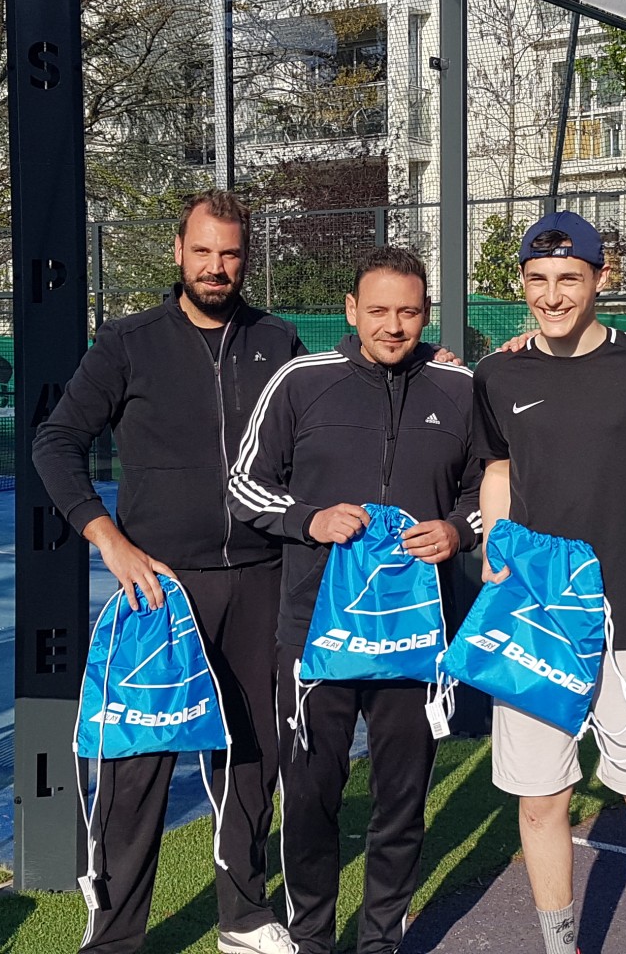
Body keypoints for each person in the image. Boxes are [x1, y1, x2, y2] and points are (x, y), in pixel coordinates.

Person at [33, 190, 304, 954]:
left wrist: (428, 362)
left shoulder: (278, 342)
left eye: (230, 254)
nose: (217, 267)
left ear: (246, 258)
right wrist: (108, 541)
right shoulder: (128, 343)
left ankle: (243, 917)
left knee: (250, 758)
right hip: (160, 587)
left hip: (261, 578)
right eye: (203, 251)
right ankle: (114, 939)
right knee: (137, 766)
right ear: (178, 252)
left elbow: (330, 411)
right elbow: (55, 443)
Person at [227, 246, 486, 954]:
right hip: (316, 634)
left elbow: (490, 489)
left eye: (408, 312)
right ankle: (312, 938)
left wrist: (458, 530)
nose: (393, 326)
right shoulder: (300, 381)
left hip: (415, 637)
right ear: (351, 310)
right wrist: (308, 519)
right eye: (378, 311)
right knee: (311, 795)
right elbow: (244, 483)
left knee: (401, 799)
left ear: (426, 313)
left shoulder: (459, 389)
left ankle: (379, 942)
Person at [473, 211, 626, 954]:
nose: (553, 295)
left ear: (603, 278)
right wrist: (494, 550)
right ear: (522, 284)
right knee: (542, 801)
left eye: (569, 278)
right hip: (535, 617)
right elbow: (498, 467)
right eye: (538, 279)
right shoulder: (498, 373)